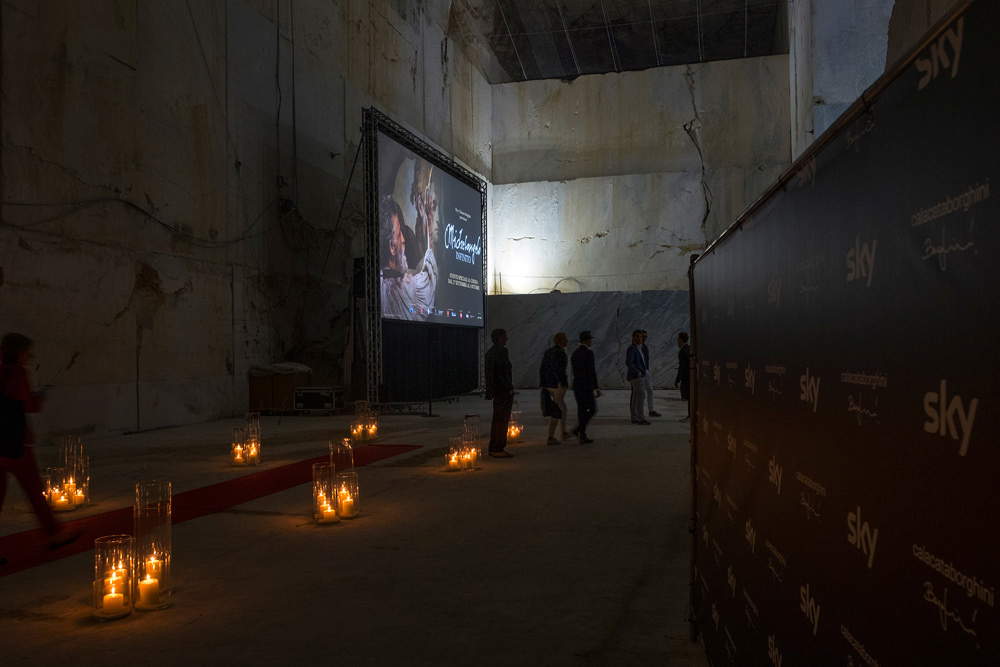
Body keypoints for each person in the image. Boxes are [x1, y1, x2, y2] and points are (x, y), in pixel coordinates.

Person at [0, 333, 79, 559]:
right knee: (35, 491)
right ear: (20, 352)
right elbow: (29, 405)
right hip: (16, 446)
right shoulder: (17, 373)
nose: (28, 357)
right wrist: (40, 397)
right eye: (27, 352)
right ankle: (54, 534)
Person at [379, 195, 438, 321]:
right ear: (392, 247)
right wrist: (427, 220)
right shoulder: (408, 288)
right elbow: (429, 273)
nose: (404, 239)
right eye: (400, 234)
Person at [484, 328, 514, 458]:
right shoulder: (499, 352)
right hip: (502, 391)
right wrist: (508, 388)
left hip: (499, 390)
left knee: (499, 420)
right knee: (501, 420)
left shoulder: (492, 352)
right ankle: (497, 447)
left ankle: (496, 447)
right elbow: (500, 374)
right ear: (499, 338)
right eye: (505, 336)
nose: (507, 338)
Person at [539, 332, 569, 445]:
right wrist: (562, 383)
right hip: (556, 386)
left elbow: (542, 369)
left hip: (548, 384)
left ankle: (563, 432)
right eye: (565, 339)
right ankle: (552, 437)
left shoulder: (548, 352)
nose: (567, 341)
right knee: (558, 410)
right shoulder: (560, 353)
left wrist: (543, 384)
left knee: (561, 408)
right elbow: (559, 370)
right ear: (561, 341)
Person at [570, 331, 600, 444]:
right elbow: (591, 371)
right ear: (586, 340)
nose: (591, 341)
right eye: (590, 340)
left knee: (581, 410)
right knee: (592, 409)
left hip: (577, 385)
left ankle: (581, 434)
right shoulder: (588, 353)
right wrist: (596, 387)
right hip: (586, 386)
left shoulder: (575, 353)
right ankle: (578, 430)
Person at [626, 330, 651, 425]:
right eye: (636, 336)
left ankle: (634, 417)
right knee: (640, 397)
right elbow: (629, 362)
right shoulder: (632, 348)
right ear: (633, 337)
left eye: (640, 337)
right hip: (636, 376)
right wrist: (638, 372)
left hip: (639, 376)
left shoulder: (638, 348)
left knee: (636, 397)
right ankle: (641, 418)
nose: (639, 338)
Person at [640, 330, 661, 417]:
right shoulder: (637, 347)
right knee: (639, 393)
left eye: (646, 337)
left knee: (650, 391)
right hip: (640, 372)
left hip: (646, 371)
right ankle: (639, 412)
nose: (645, 338)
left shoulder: (644, 347)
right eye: (643, 336)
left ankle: (651, 410)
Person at [675, 332, 691, 422]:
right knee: (690, 397)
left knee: (689, 397)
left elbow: (682, 366)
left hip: (686, 378)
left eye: (678, 339)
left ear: (681, 340)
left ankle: (690, 416)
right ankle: (690, 415)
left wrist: (678, 379)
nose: (677, 341)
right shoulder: (688, 348)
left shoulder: (683, 351)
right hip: (689, 377)